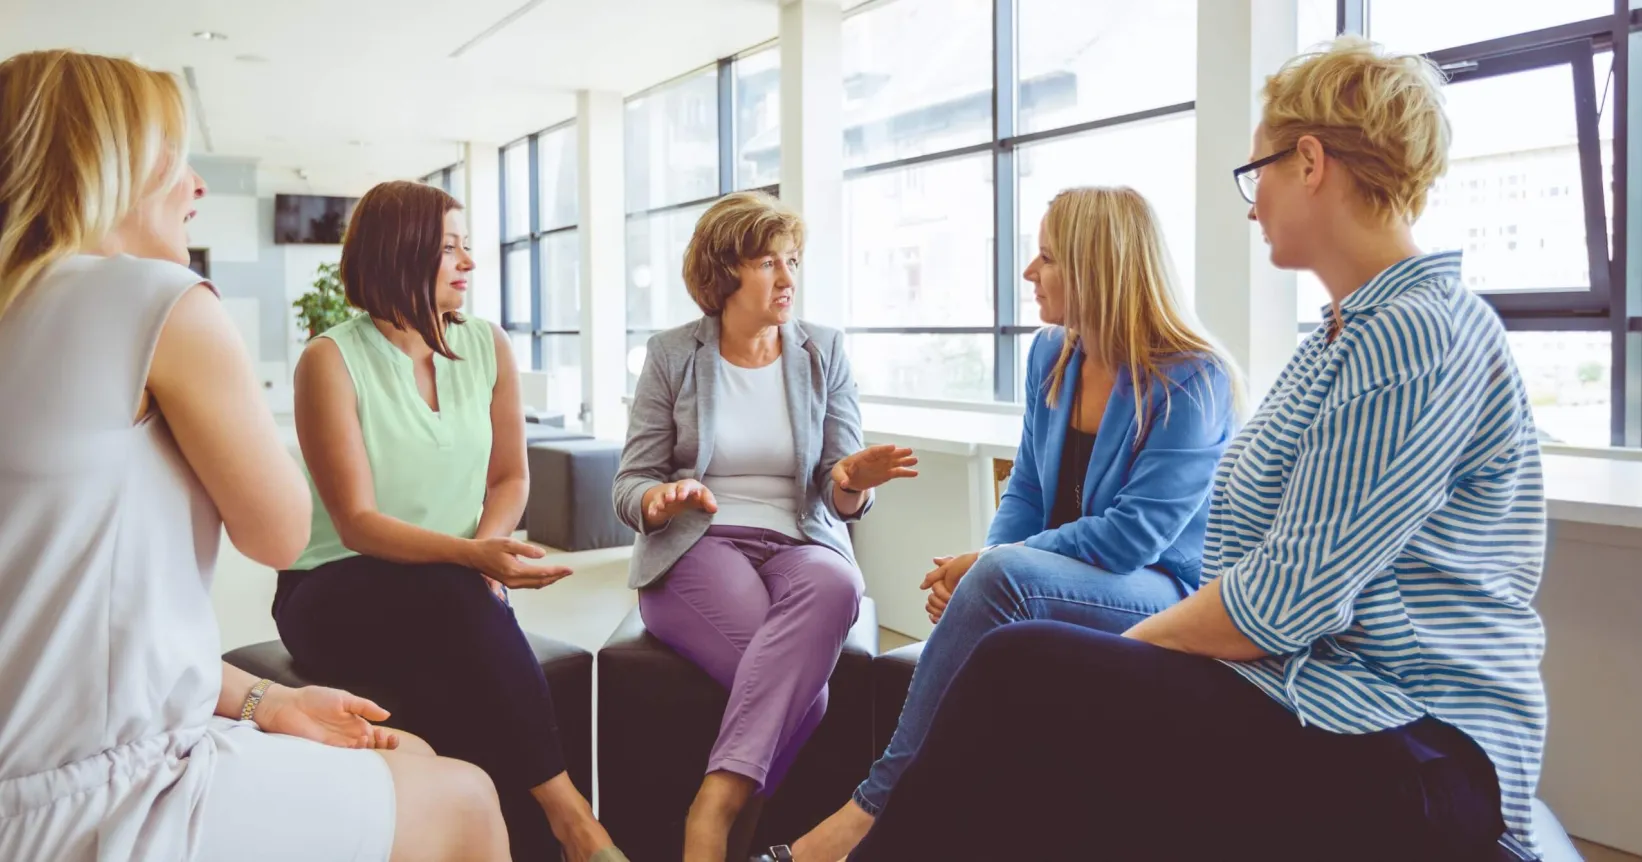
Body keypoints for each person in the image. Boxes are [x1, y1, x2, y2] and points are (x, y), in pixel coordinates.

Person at [843, 37, 1548, 861]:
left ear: (1311, 161)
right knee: (1036, 707)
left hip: (1411, 740)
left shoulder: (1413, 336)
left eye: (1260, 174)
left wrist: (1113, 656)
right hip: (1312, 693)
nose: (1252, 204)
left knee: (1021, 673)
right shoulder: (1342, 338)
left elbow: (1284, 599)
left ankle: (857, 841)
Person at [0, 50, 509, 862]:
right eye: (175, 155)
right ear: (107, 160)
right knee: (467, 801)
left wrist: (266, 701)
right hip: (101, 798)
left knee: (411, 753)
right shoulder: (151, 298)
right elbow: (281, 530)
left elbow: (75, 626)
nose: (196, 187)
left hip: (42, 773)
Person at [779, 186, 1241, 862]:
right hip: (1062, 576)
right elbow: (1025, 487)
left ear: (1096, 267)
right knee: (996, 582)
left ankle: (863, 817)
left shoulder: (1191, 378)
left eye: (1046, 258)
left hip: (1162, 590)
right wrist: (987, 567)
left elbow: (1131, 538)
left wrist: (991, 571)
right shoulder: (1052, 353)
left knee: (1000, 579)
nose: (1029, 273)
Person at [273, 180, 625, 862]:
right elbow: (356, 522)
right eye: (451, 249)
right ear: (399, 253)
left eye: (470, 248)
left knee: (464, 673)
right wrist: (474, 560)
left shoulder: (488, 347)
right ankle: (576, 821)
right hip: (331, 588)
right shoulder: (330, 360)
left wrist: (484, 547)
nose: (469, 263)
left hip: (448, 590)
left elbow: (509, 477)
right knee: (459, 602)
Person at [613, 190, 918, 862]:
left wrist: (853, 485)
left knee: (838, 587)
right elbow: (629, 483)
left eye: (793, 262)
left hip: (801, 537)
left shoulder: (823, 351)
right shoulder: (672, 355)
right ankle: (724, 825)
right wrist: (660, 500)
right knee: (800, 692)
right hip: (701, 541)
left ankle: (709, 817)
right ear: (725, 273)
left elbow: (838, 487)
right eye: (769, 263)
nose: (788, 279)